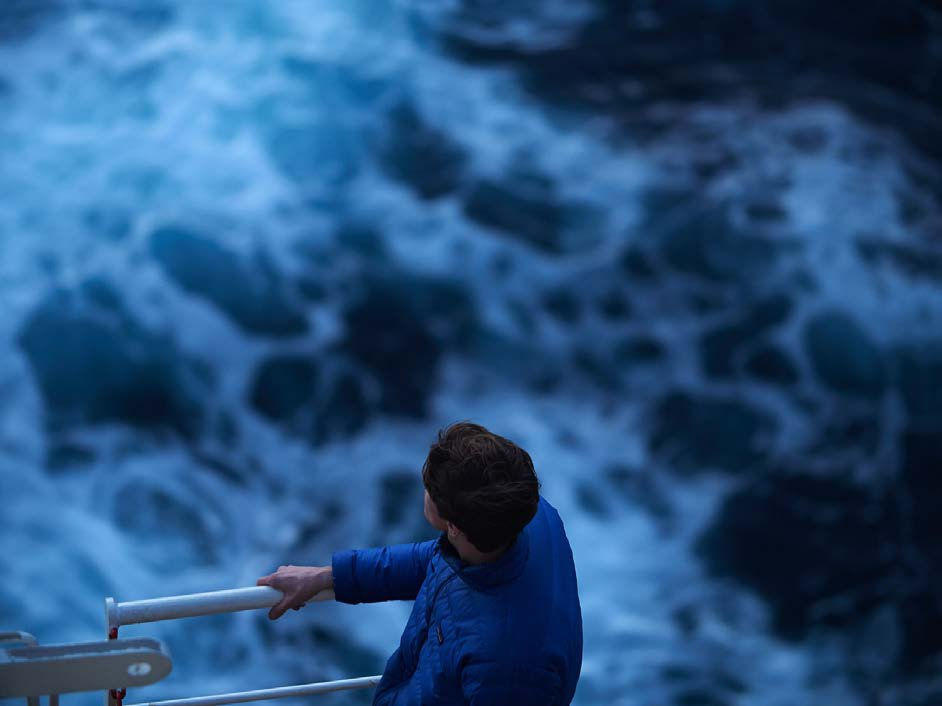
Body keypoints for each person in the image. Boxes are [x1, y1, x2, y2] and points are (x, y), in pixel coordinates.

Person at [257, 421, 583, 705]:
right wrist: (328, 577)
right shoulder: (529, 517)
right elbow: (438, 560)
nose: (424, 489)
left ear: (454, 527)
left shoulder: (507, 667)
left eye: (430, 490)